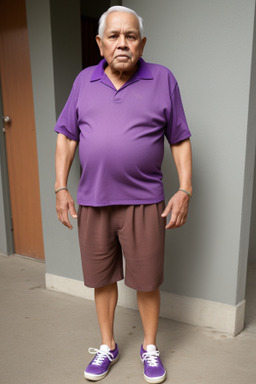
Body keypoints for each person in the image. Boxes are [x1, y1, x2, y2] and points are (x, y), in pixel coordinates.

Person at [54, 5, 192, 384]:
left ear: (142, 43)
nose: (122, 43)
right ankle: (108, 345)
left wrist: (185, 189)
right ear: (100, 44)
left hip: (145, 201)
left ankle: (149, 347)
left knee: (147, 281)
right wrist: (60, 186)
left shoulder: (163, 79)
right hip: (93, 200)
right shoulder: (84, 81)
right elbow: (66, 136)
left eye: (130, 36)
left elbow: (179, 138)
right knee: (102, 278)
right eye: (114, 36)